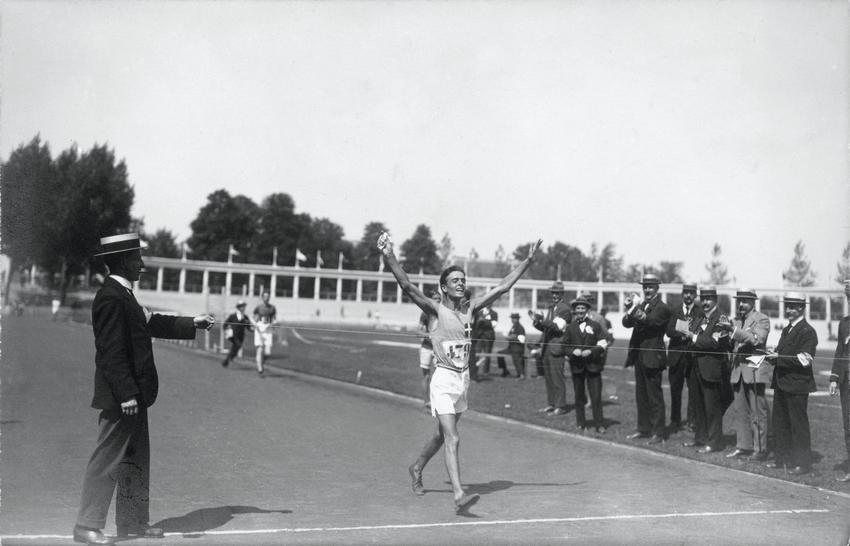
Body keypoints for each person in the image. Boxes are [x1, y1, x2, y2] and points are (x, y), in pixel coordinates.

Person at [378, 231, 541, 513]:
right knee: (453, 438)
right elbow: (406, 285)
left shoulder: (471, 308)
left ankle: (416, 467)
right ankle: (458, 494)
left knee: (442, 436)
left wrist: (526, 262)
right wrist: (389, 254)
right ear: (443, 287)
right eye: (455, 280)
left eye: (463, 280)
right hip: (442, 379)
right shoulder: (433, 310)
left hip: (462, 380)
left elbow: (502, 288)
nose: (461, 283)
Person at [74, 233, 214, 546]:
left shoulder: (124, 295)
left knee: (136, 459)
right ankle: (86, 526)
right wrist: (125, 394)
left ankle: (133, 523)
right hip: (122, 397)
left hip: (135, 394)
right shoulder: (111, 297)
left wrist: (195, 322)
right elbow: (111, 351)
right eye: (137, 258)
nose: (142, 264)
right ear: (122, 260)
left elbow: (154, 323)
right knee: (108, 460)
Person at [765, 292, 818, 475]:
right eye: (786, 306)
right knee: (780, 423)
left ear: (801, 308)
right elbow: (785, 354)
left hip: (797, 385)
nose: (788, 310)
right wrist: (774, 355)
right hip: (782, 383)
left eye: (792, 306)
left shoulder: (808, 331)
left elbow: (805, 360)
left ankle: (803, 464)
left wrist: (779, 358)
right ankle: (782, 460)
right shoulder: (787, 329)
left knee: (798, 425)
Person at [723, 290, 772, 461]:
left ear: (753, 302)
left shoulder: (762, 319)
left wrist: (733, 331)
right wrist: (724, 335)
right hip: (738, 371)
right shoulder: (736, 321)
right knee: (740, 411)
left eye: (745, 301)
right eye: (739, 301)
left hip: (754, 369)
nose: (741, 304)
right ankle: (743, 446)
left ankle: (760, 450)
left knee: (758, 412)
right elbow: (733, 344)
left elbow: (757, 340)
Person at [622, 274, 671, 444]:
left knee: (654, 396)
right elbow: (626, 323)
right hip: (640, 356)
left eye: (650, 287)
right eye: (645, 287)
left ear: (657, 288)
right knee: (641, 396)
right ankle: (643, 429)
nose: (647, 290)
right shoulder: (642, 305)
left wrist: (634, 309)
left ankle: (659, 432)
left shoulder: (662, 308)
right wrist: (630, 308)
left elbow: (650, 322)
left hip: (653, 356)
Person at [684, 287, 732, 454]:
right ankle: (700, 439)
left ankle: (714, 442)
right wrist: (688, 335)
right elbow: (691, 337)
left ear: (715, 300)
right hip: (696, 368)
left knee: (712, 408)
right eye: (703, 299)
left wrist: (693, 337)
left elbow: (714, 343)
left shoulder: (722, 318)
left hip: (712, 369)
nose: (704, 302)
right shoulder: (699, 317)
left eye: (708, 299)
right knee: (698, 406)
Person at [563, 296, 608, 433]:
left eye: (583, 308)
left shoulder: (595, 325)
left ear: (587, 310)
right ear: (575, 311)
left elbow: (603, 344)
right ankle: (580, 423)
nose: (580, 310)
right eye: (578, 308)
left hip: (593, 367)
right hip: (577, 367)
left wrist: (591, 351)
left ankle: (599, 424)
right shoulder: (570, 327)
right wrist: (572, 351)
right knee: (579, 396)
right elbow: (564, 346)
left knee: (596, 397)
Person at [665, 283, 704, 432]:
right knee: (675, 390)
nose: (688, 295)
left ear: (695, 295)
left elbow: (700, 332)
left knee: (693, 390)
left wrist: (689, 333)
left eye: (691, 293)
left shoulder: (700, 312)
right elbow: (668, 331)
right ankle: (675, 420)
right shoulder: (674, 310)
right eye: (686, 292)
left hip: (692, 357)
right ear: (682, 294)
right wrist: (683, 331)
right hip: (676, 356)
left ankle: (692, 421)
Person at [530, 281, 572, 416]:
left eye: (557, 293)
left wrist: (542, 320)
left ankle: (561, 406)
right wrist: (537, 322)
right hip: (547, 348)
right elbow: (547, 328)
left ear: (562, 294)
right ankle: (552, 404)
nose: (554, 295)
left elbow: (557, 327)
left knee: (557, 378)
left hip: (556, 348)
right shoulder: (551, 308)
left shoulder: (565, 309)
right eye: (553, 292)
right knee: (548, 378)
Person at [829, 280, 850, 481]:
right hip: (847, 384)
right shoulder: (844, 323)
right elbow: (839, 351)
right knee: (848, 426)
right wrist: (834, 378)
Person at [418, 291, 442, 409]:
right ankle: (426, 401)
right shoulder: (425, 314)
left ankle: (436, 401)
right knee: (426, 376)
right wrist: (430, 335)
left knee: (439, 377)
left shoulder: (444, 313)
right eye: (435, 299)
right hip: (426, 348)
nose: (437, 300)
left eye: (439, 298)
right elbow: (418, 332)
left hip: (439, 350)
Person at [253, 291, 277, 376]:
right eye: (265, 296)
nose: (267, 298)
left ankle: (261, 362)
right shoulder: (258, 307)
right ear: (262, 297)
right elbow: (254, 318)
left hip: (268, 328)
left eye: (268, 296)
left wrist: (273, 324)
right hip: (260, 327)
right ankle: (260, 369)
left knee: (268, 352)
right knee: (260, 349)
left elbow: (274, 318)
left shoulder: (272, 308)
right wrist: (256, 326)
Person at [222, 300, 253, 367]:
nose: (244, 308)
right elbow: (225, 324)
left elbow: (248, 327)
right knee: (237, 345)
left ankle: (227, 361)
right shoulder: (232, 316)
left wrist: (254, 330)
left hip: (241, 336)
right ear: (239, 307)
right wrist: (226, 331)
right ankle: (230, 359)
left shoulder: (245, 317)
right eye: (242, 306)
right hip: (233, 335)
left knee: (236, 347)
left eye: (244, 306)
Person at [497, 312, 527, 378]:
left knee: (516, 359)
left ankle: (521, 374)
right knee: (499, 353)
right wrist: (509, 337)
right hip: (511, 347)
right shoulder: (514, 326)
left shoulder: (520, 327)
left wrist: (509, 337)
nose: (512, 320)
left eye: (514, 318)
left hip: (518, 348)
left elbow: (520, 339)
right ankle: (505, 370)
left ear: (517, 319)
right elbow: (512, 336)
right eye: (512, 318)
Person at [474, 306, 498, 375]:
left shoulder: (494, 313)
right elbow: (476, 323)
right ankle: (475, 370)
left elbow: (494, 324)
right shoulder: (479, 312)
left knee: (487, 354)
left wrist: (483, 320)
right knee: (476, 354)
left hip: (488, 337)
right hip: (479, 336)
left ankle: (486, 371)